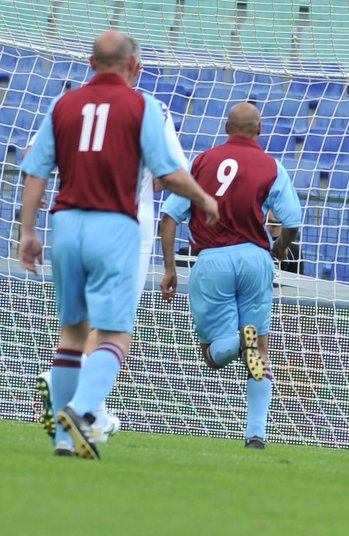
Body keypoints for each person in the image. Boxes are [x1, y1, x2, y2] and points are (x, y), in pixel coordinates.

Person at [18, 29, 219, 460]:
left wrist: (28, 232)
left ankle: (64, 437)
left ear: (90, 63)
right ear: (136, 67)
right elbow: (168, 172)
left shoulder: (63, 104)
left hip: (66, 225)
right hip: (119, 225)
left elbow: (34, 170)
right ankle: (84, 409)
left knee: (72, 331)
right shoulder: (145, 106)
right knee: (115, 332)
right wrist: (203, 198)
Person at [159, 102, 302, 450]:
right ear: (260, 129)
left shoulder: (202, 162)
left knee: (212, 355)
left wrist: (168, 268)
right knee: (261, 350)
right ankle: (256, 435)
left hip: (212, 260)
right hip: (256, 258)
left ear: (226, 128)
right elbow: (293, 222)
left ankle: (240, 342)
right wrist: (280, 246)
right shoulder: (271, 166)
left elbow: (168, 217)